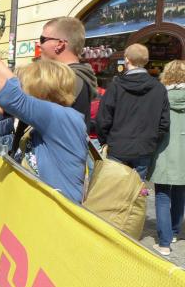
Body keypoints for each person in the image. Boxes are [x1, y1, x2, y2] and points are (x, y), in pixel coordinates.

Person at [0, 20, 87, 203]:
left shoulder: (58, 116)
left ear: (43, 89)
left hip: (56, 212)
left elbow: (13, 96)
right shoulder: (53, 112)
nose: (22, 87)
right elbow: (12, 83)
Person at [96, 43, 169, 180]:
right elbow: (164, 123)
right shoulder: (159, 88)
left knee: (115, 189)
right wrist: (150, 139)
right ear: (146, 61)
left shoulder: (116, 86)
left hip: (118, 147)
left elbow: (103, 119)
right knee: (136, 190)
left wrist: (105, 141)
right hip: (144, 147)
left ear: (127, 59)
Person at [150, 60, 185, 256]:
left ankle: (164, 243)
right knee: (180, 193)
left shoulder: (160, 96)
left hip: (164, 150)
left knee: (162, 195)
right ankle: (173, 233)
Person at [37, 17, 97, 123]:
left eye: (42, 39)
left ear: (60, 44)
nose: (38, 44)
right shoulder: (78, 76)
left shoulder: (68, 79)